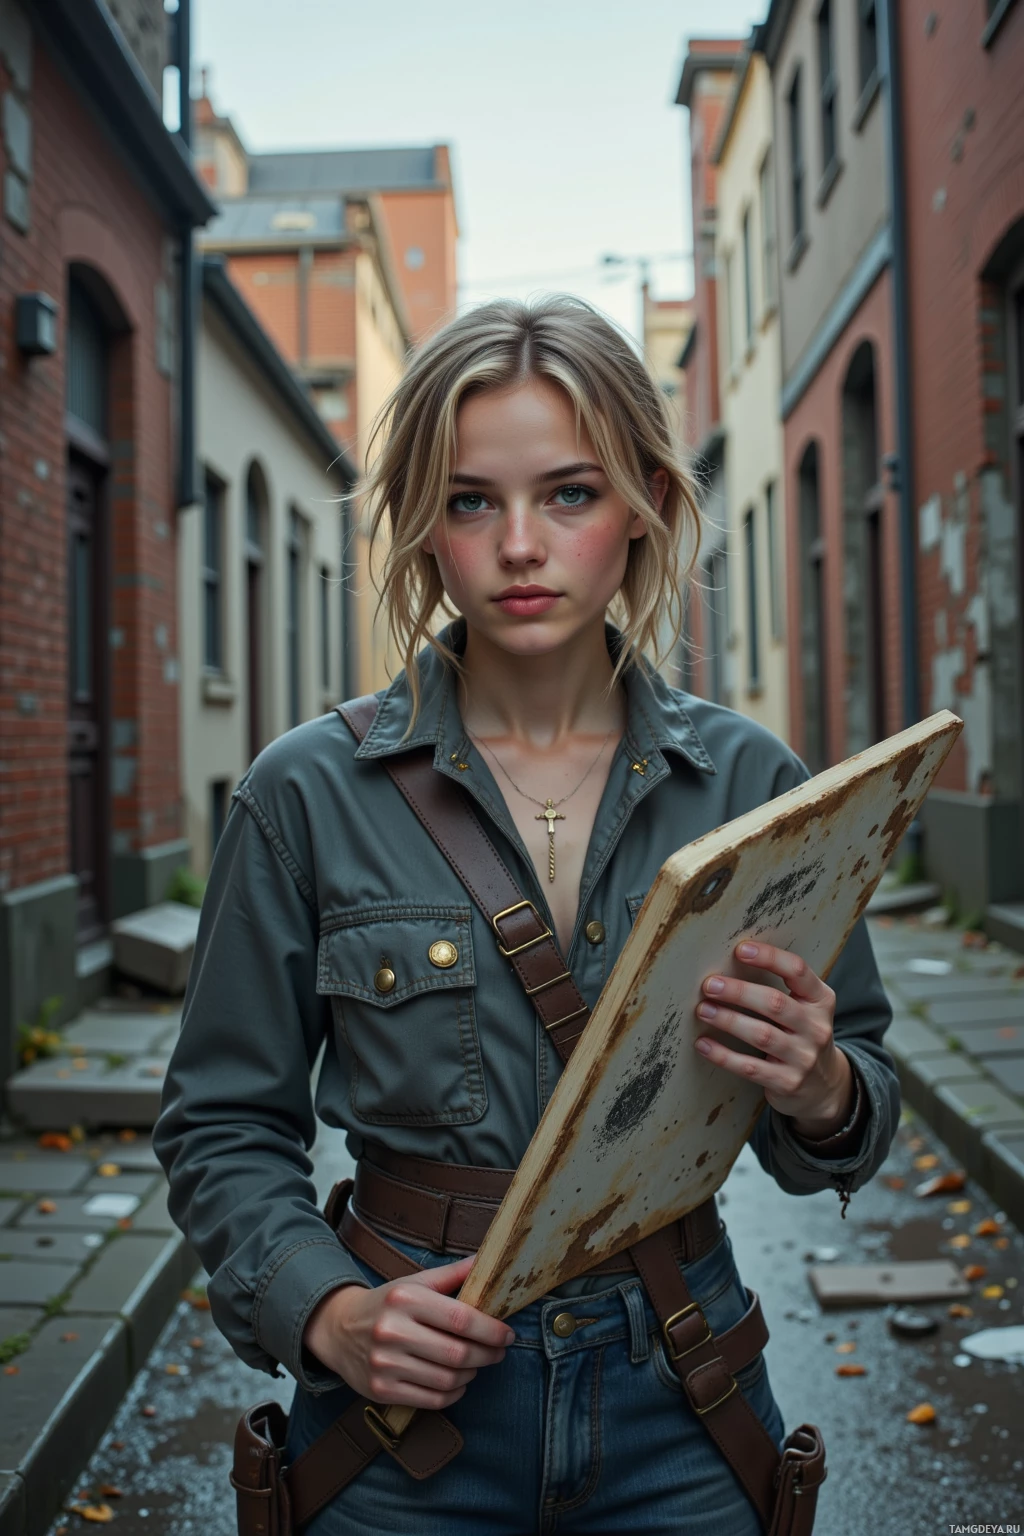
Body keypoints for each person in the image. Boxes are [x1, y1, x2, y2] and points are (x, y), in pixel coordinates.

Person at [155, 296, 898, 1535]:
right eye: (468, 501)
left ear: (644, 502)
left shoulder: (754, 786)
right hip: (405, 1422)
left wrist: (818, 1086)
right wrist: (328, 1313)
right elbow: (223, 1122)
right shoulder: (304, 792)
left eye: (567, 493)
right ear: (419, 526)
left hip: (687, 1392)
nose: (518, 546)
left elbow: (851, 1104)